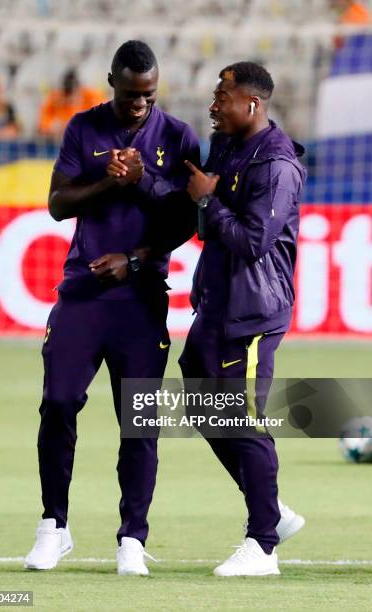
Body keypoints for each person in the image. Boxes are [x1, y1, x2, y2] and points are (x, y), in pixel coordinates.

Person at [24, 40, 200, 575]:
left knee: (138, 420)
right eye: (129, 96)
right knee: (58, 403)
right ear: (112, 84)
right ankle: (54, 526)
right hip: (82, 293)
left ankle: (131, 537)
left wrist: (139, 241)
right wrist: (109, 180)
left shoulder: (178, 137)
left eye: (147, 96)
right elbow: (57, 205)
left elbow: (186, 220)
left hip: (142, 297)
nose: (139, 106)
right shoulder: (84, 127)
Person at [180, 61, 306, 577]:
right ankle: (270, 507)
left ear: (251, 104)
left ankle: (264, 544)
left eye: (222, 95)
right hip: (216, 303)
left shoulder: (278, 166)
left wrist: (208, 200)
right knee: (201, 406)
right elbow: (211, 228)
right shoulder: (230, 146)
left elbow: (253, 242)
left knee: (243, 418)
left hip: (252, 312)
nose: (213, 104)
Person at [38, 68, 106, 138]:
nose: (69, 98)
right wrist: (51, 127)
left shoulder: (92, 96)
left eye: (72, 94)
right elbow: (43, 122)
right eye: (66, 94)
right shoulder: (55, 97)